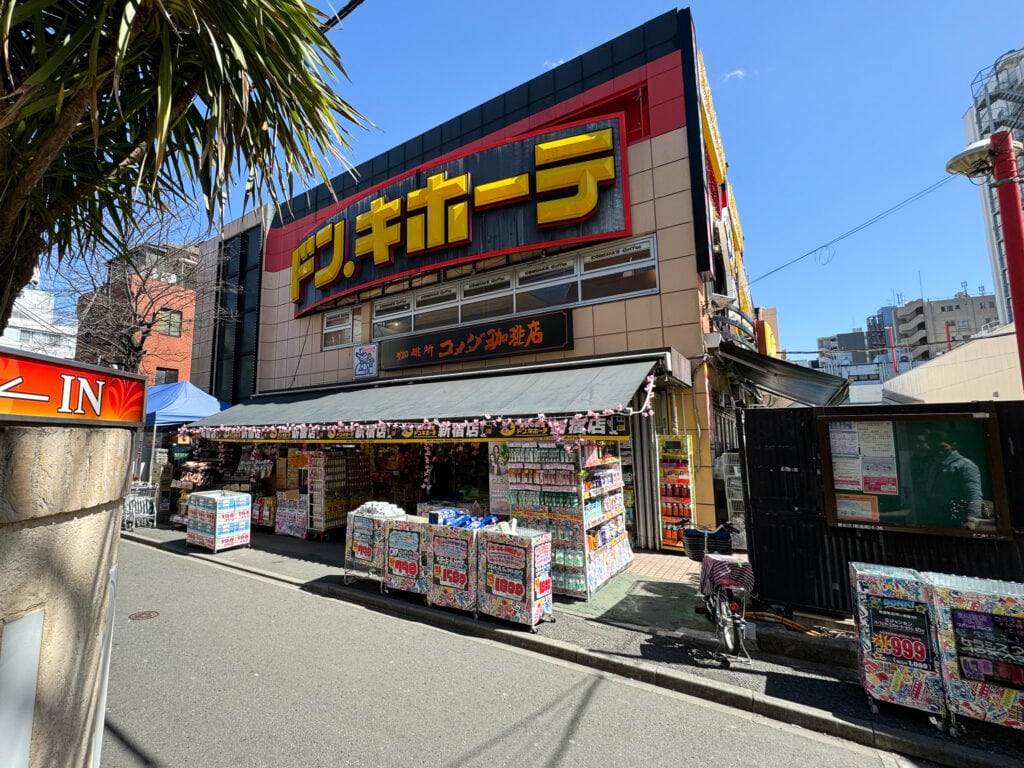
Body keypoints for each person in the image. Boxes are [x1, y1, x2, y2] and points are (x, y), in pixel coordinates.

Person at [925, 431, 983, 526]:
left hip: (957, 514)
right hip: (935, 512)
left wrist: (973, 519)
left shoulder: (965, 465)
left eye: (942, 447)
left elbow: (974, 493)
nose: (938, 451)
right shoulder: (934, 463)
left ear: (953, 445)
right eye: (935, 447)